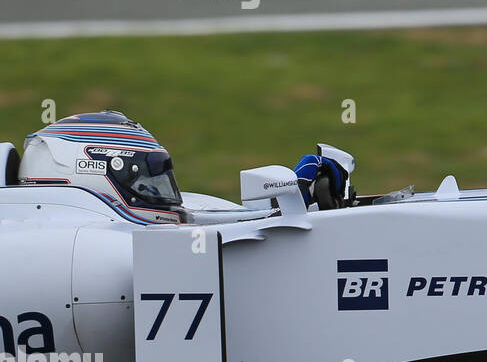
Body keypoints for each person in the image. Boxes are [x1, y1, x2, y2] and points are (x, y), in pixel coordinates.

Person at [16, 109, 351, 223]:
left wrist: (290, 200)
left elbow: (206, 222)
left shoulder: (177, 214)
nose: (158, 191)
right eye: (144, 179)